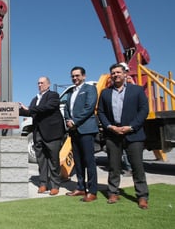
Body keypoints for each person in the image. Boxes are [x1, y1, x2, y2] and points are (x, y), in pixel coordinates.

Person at [97, 63, 149, 209]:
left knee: (137, 167)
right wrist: (110, 126)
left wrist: (131, 127)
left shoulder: (137, 90)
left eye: (118, 72)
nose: (115, 75)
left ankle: (142, 196)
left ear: (125, 73)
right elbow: (101, 112)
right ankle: (113, 192)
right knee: (114, 166)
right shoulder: (105, 93)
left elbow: (144, 110)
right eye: (113, 73)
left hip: (134, 134)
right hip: (113, 135)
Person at [19, 76, 65, 196]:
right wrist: (15, 110)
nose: (39, 85)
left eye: (42, 83)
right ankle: (43, 184)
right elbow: (30, 112)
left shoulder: (53, 95)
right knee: (41, 161)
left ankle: (55, 186)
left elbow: (47, 107)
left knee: (54, 160)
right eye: (38, 83)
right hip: (38, 133)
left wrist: (29, 108)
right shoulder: (35, 99)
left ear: (48, 84)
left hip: (52, 133)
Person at [64, 67, 98, 202]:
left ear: (84, 76)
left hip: (86, 130)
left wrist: (75, 121)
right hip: (74, 131)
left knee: (89, 161)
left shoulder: (90, 89)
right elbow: (67, 108)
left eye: (77, 75)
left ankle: (92, 191)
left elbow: (89, 108)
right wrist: (67, 120)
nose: (75, 78)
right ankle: (80, 187)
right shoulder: (71, 92)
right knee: (78, 161)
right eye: (72, 76)